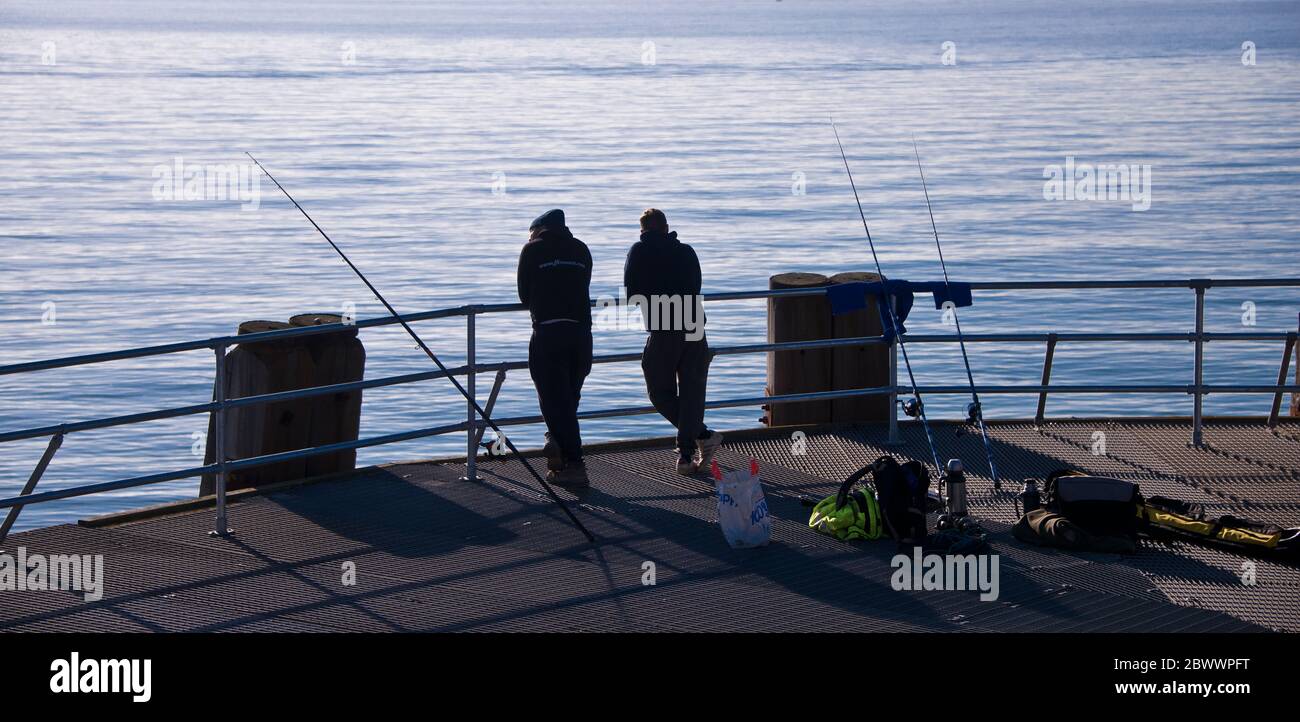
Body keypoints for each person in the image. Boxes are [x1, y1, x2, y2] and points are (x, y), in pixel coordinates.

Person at [624, 208, 722, 474]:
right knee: (692, 392)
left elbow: (632, 295)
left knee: (659, 391)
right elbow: (696, 287)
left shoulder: (639, 251)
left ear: (642, 230)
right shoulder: (687, 251)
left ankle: (698, 441)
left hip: (664, 329)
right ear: (667, 227)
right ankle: (690, 451)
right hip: (693, 327)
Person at [517, 209, 593, 488]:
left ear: (538, 230)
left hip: (548, 330)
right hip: (581, 333)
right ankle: (558, 446)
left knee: (553, 399)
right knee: (569, 398)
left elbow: (524, 295)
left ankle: (574, 463)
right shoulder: (581, 249)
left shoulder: (531, 250)